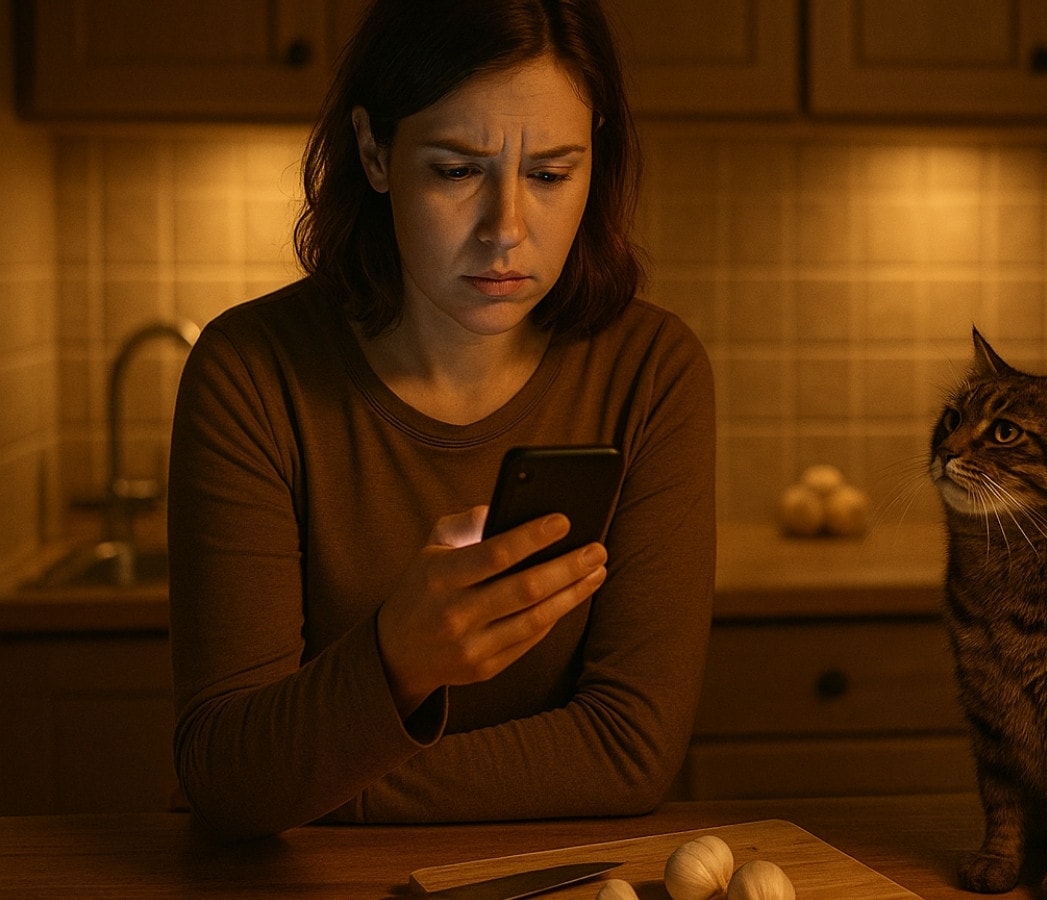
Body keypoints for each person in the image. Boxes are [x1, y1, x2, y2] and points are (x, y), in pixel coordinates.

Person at [166, 0, 715, 840]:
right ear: (374, 151)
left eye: (550, 173)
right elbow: (227, 768)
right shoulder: (252, 373)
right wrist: (398, 659)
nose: (507, 230)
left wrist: (309, 785)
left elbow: (631, 750)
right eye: (457, 171)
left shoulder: (651, 372)